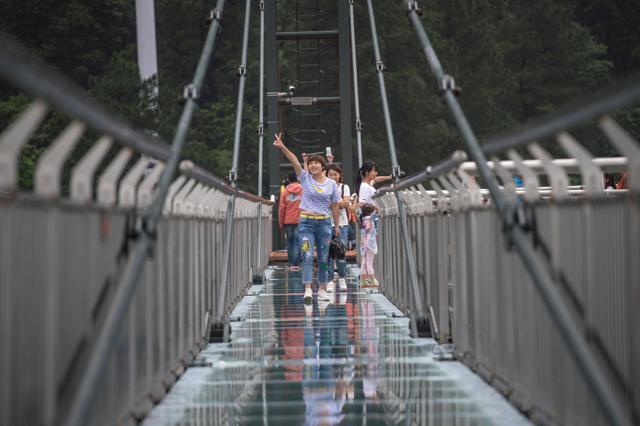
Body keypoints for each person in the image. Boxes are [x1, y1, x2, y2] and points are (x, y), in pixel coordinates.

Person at [273, 132, 341, 304]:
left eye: (316, 163)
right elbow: (295, 160)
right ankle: (308, 289)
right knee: (307, 255)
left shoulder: (332, 184)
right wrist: (282, 147)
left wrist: (337, 225)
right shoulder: (305, 178)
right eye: (311, 163)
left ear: (323, 166)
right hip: (306, 224)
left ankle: (323, 287)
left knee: (324, 257)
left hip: (324, 224)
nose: (313, 165)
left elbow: (334, 205)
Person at [325, 164, 351, 292]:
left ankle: (342, 278)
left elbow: (345, 203)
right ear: (326, 175)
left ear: (340, 175)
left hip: (342, 224)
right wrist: (338, 203)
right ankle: (329, 279)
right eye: (331, 174)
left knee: (341, 252)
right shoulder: (323, 187)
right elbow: (325, 203)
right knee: (327, 254)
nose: (333, 177)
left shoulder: (344, 187)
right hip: (325, 224)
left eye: (336, 174)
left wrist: (335, 203)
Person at [279, 171, 302, 271]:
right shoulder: (303, 190)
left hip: (288, 221)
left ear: (288, 180)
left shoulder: (285, 192)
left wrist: (281, 222)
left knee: (290, 242)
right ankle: (298, 262)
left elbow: (281, 208)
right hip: (301, 220)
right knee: (299, 241)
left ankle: (292, 263)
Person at [359, 204, 379, 288]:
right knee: (369, 263)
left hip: (364, 243)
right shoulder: (370, 219)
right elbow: (376, 213)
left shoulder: (363, 219)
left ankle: (363, 281)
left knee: (364, 262)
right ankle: (372, 280)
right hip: (370, 242)